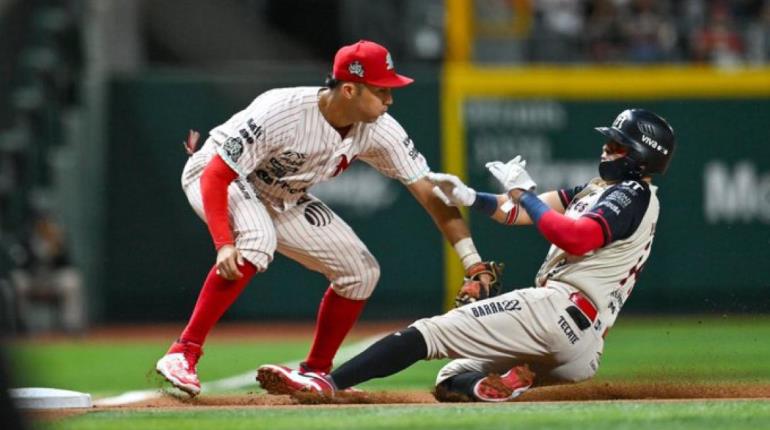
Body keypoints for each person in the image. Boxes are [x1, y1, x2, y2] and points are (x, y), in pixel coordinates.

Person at [256, 108, 676, 402]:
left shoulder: (633, 193)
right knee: (452, 377)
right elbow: (514, 212)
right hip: (580, 350)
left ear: (642, 156)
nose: (607, 150)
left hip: (558, 309)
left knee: (430, 333)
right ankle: (510, 382)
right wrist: (472, 196)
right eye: (610, 142)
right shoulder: (597, 190)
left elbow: (576, 237)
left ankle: (325, 383)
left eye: (619, 146)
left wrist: (527, 195)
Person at [155, 40, 498, 397]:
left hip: (281, 195)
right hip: (220, 174)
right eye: (382, 90)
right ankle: (184, 352)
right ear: (349, 89)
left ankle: (316, 373)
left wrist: (471, 262)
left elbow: (431, 193)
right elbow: (216, 174)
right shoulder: (282, 110)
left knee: (361, 272)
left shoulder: (380, 129)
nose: (390, 99)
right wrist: (224, 243)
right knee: (257, 240)